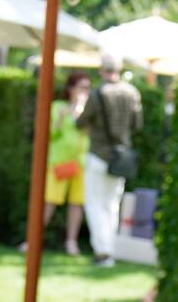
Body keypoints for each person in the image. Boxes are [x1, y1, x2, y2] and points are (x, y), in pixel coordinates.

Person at [76, 52, 143, 268]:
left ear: (101, 70)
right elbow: (137, 125)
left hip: (98, 154)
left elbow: (81, 122)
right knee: (112, 205)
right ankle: (110, 250)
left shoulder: (98, 94)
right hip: (121, 155)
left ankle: (102, 251)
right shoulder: (132, 93)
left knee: (95, 204)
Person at [18, 72, 90, 256]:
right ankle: (32, 241)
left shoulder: (88, 110)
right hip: (59, 162)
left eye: (87, 88)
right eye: (82, 87)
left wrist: (81, 111)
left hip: (80, 162)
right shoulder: (57, 107)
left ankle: (71, 243)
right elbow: (49, 134)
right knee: (49, 202)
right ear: (71, 88)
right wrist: (63, 117)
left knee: (77, 203)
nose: (84, 91)